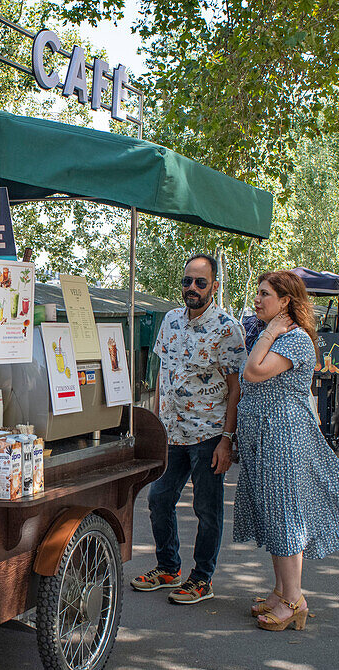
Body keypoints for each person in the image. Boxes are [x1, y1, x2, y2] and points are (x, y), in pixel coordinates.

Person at [235, 270, 339, 631]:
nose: (257, 299)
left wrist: (273, 331)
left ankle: (294, 599)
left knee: (285, 513)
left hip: (282, 435)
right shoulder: (276, 334)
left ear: (285, 302)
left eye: (264, 294)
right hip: (266, 434)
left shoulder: (292, 340)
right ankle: (280, 592)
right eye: (257, 293)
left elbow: (253, 372)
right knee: (273, 511)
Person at [132, 254, 246, 604]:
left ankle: (202, 579)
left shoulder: (228, 329)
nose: (192, 288)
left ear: (213, 285)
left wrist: (226, 440)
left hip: (209, 435)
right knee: (158, 499)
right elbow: (162, 378)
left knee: (206, 510)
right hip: (172, 433)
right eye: (187, 282)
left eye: (200, 282)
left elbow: (236, 388)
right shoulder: (169, 321)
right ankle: (168, 568)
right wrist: (153, 426)